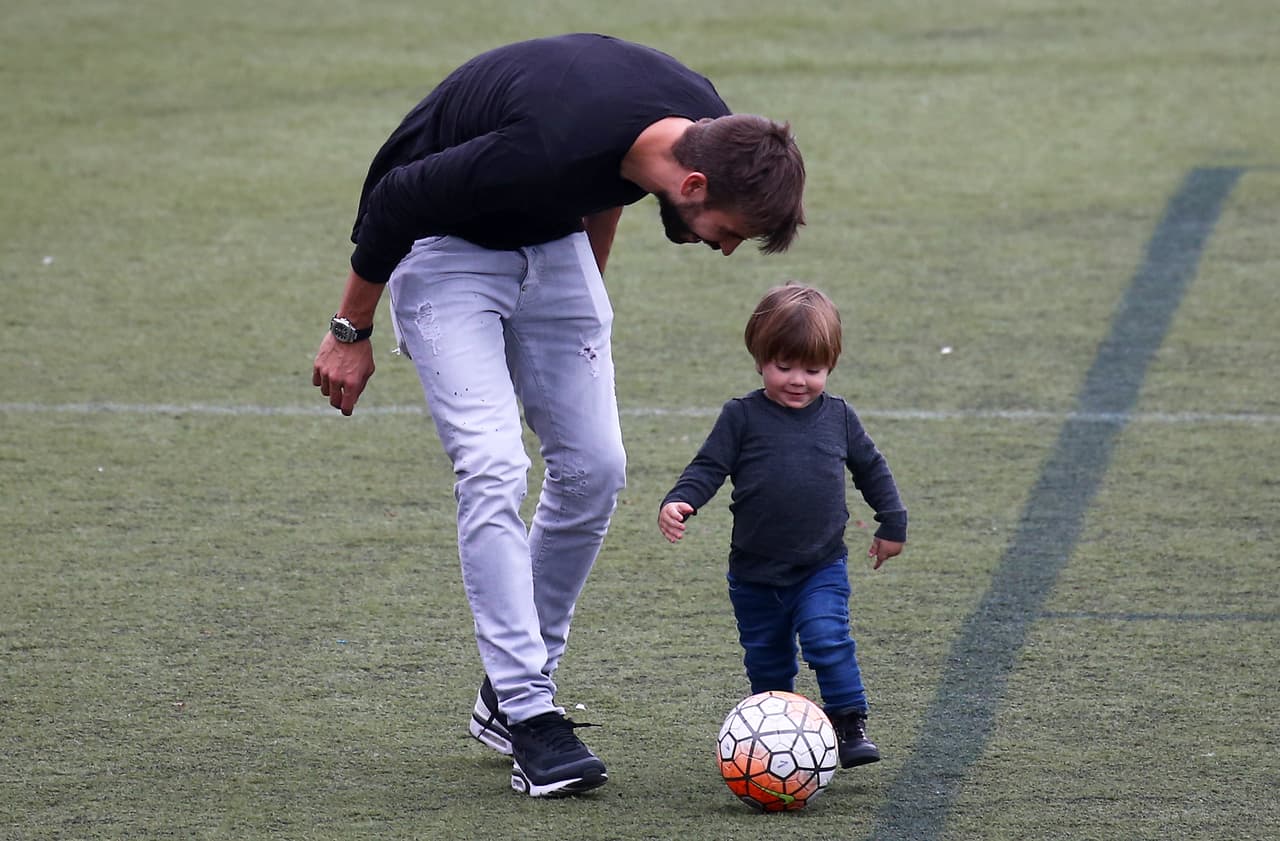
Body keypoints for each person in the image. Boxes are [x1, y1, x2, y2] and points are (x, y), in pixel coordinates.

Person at [311, 33, 805, 797]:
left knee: (597, 469)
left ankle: (506, 692)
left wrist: (580, 301)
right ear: (697, 181)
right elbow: (398, 198)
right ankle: (530, 713)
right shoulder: (541, 144)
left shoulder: (705, 121)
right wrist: (351, 332)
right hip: (446, 249)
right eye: (729, 231)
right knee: (495, 464)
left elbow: (608, 178)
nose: (726, 249)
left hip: (555, 248)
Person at [658, 283, 906, 770]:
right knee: (767, 663)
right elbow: (708, 466)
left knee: (826, 637)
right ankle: (773, 735)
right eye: (784, 367)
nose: (798, 380)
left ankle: (848, 723)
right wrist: (681, 499)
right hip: (753, 573)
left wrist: (892, 522)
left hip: (820, 565)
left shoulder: (838, 417)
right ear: (759, 360)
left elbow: (871, 468)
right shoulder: (741, 416)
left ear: (830, 365)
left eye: (813, 370)